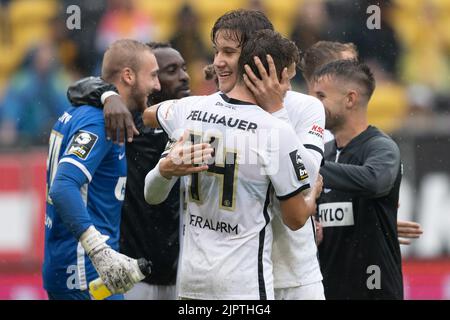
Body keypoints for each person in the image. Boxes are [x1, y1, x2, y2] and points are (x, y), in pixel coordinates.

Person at [144, 29, 322, 300]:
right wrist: (314, 197)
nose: (287, 88)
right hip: (244, 286)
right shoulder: (276, 130)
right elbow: (296, 218)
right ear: (266, 73)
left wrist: (164, 169)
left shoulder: (188, 109)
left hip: (193, 284)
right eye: (286, 79)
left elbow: (151, 192)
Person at [66, 42, 202, 300]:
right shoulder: (126, 122)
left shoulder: (196, 119)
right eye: (170, 70)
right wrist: (109, 95)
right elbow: (76, 89)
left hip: (185, 274)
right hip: (134, 272)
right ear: (144, 78)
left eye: (184, 68)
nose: (184, 76)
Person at [42, 39, 161, 300]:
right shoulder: (100, 122)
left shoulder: (84, 111)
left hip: (71, 266)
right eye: (153, 75)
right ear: (128, 76)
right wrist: (99, 251)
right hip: (84, 271)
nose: (157, 85)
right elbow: (63, 187)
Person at [298, 40, 423, 245]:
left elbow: (370, 184)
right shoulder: (295, 132)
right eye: (346, 66)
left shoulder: (365, 143)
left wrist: (373, 221)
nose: (356, 72)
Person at [310, 59, 403, 299]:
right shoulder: (324, 152)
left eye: (321, 96)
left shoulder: (381, 148)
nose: (313, 105)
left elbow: (375, 181)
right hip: (327, 290)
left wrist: (310, 166)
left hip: (374, 292)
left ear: (350, 99)